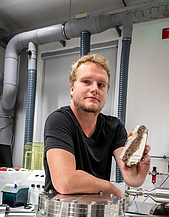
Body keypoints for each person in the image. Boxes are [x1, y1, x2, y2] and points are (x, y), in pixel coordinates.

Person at [44, 53, 150, 197]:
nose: (95, 89)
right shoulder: (59, 121)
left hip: (97, 214)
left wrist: (138, 170)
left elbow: (131, 178)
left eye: (101, 85)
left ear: (106, 92)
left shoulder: (114, 127)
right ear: (72, 88)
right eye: (86, 81)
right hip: (62, 214)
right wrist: (110, 188)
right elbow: (65, 182)